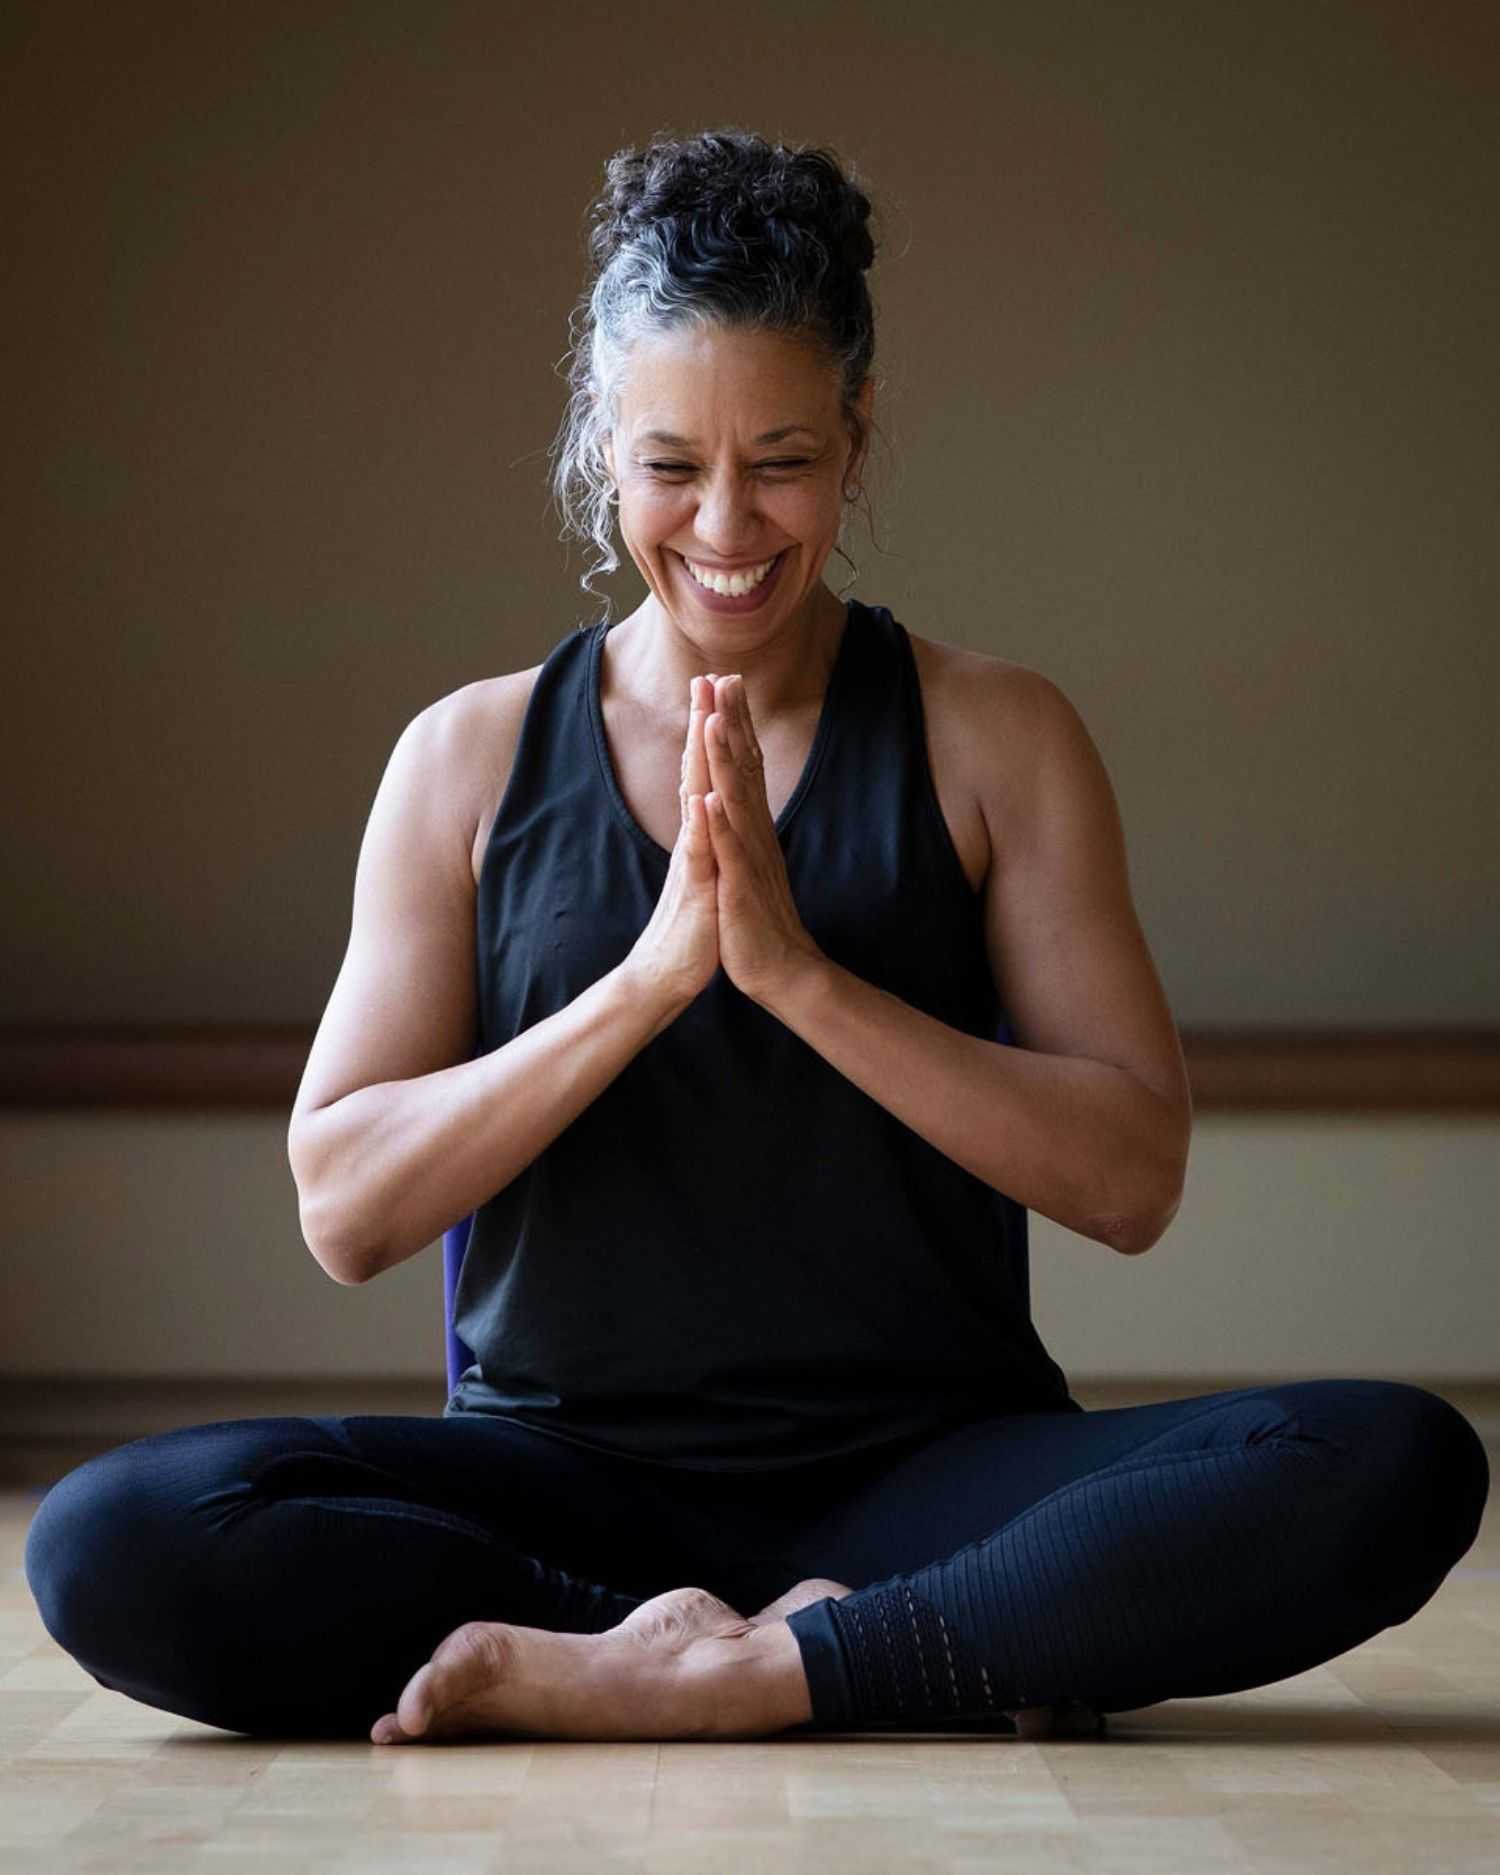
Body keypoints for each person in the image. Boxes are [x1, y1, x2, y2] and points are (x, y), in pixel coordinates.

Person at [24, 129, 1488, 1747]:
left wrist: (797, 975)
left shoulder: (995, 735)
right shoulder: (467, 758)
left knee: (1392, 1461)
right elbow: (347, 1208)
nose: (727, 523)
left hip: (927, 1472)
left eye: (782, 458)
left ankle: (748, 1669)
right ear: (600, 444)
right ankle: (802, 1654)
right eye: (671, 463)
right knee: (112, 1538)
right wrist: (652, 982)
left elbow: (1131, 1178)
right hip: (558, 1486)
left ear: (858, 438)